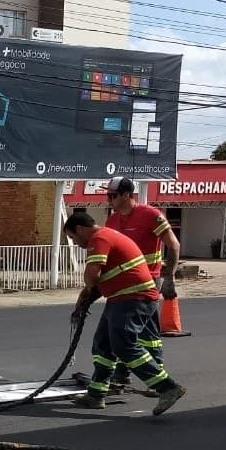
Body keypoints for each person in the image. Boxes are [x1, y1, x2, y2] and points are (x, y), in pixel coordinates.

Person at [64, 212, 186, 416]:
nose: (75, 243)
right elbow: (103, 281)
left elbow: (93, 276)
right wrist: (83, 303)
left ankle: (167, 387)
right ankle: (96, 395)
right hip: (122, 298)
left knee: (123, 345)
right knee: (103, 345)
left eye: (72, 238)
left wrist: (86, 292)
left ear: (80, 229)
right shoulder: (107, 236)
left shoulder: (99, 238)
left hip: (133, 298)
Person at [102, 176, 181, 396]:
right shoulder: (112, 220)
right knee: (124, 330)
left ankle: (156, 380)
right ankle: (123, 375)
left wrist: (169, 277)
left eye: (112, 195)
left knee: (143, 332)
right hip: (122, 284)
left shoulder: (151, 215)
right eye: (107, 195)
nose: (109, 200)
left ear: (127, 195)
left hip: (148, 282)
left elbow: (174, 245)